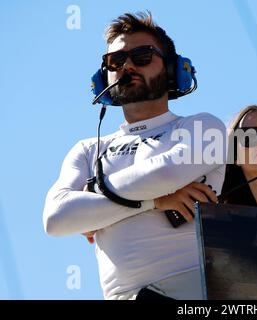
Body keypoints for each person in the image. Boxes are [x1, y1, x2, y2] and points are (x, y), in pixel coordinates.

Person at [43, 11, 226, 300]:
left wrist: (92, 196)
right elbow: (56, 218)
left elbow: (166, 173)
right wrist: (154, 201)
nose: (127, 65)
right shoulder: (87, 149)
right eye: (116, 61)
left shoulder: (203, 127)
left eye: (142, 55)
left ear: (171, 70)